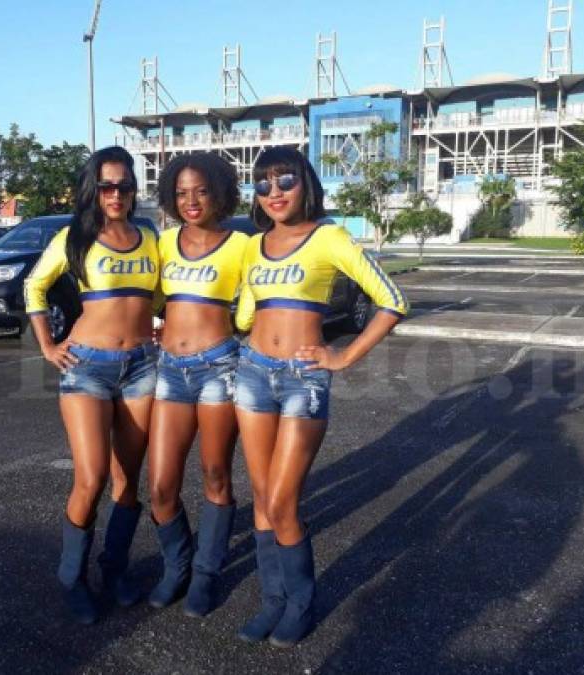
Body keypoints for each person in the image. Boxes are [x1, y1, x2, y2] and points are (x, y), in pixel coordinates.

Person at [233, 147, 409, 646]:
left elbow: (392, 301)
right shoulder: (253, 245)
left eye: (283, 180)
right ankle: (272, 603)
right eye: (262, 185)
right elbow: (246, 315)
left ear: (304, 182)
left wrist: (344, 356)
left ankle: (301, 604)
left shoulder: (328, 236)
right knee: (263, 500)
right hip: (251, 373)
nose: (274, 193)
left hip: (301, 380)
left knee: (284, 501)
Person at [24, 146, 161, 625]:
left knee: (128, 479)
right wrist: (47, 345)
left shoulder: (149, 237)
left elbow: (160, 297)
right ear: (93, 189)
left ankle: (115, 570)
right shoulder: (74, 238)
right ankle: (72, 578)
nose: (116, 194)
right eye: (107, 185)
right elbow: (34, 288)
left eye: (125, 185)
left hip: (143, 366)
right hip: (87, 367)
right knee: (92, 477)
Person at [145, 153, 248, 617]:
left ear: (220, 192)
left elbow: (263, 302)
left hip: (219, 369)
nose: (190, 201)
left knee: (215, 475)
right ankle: (177, 565)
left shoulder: (242, 245)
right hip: (169, 369)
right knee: (161, 486)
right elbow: (142, 294)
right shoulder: (163, 242)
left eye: (201, 191)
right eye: (182, 192)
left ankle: (207, 572)